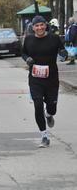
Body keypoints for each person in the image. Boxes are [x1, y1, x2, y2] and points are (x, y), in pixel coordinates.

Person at [22, 15, 67, 148]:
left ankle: (49, 114)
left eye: (42, 25)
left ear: (45, 25)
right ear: (33, 27)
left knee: (52, 108)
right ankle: (44, 136)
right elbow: (23, 53)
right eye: (37, 26)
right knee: (37, 105)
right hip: (35, 79)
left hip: (52, 79)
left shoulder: (54, 38)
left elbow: (62, 50)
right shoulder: (29, 39)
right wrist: (27, 59)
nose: (39, 28)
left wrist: (64, 54)